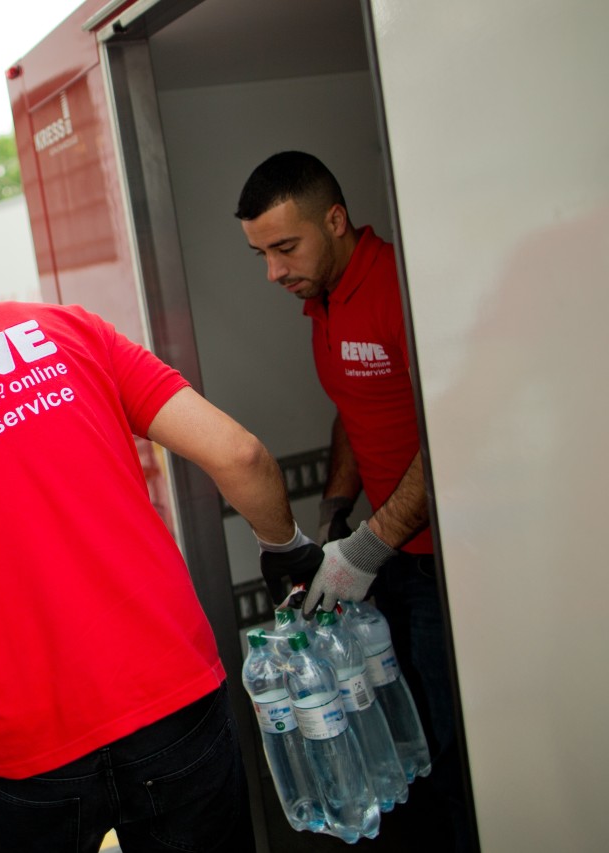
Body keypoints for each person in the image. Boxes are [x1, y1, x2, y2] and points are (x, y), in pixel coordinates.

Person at [0, 242, 320, 852]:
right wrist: (286, 550)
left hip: (23, 757)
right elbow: (241, 455)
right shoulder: (65, 329)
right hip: (170, 700)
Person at [236, 151, 469, 849]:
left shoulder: (402, 284)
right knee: (404, 748)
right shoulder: (322, 299)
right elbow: (353, 406)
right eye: (261, 253)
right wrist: (337, 510)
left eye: (285, 246)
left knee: (452, 754)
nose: (274, 271)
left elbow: (451, 425)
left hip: (448, 566)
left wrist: (367, 545)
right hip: (389, 560)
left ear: (335, 220)